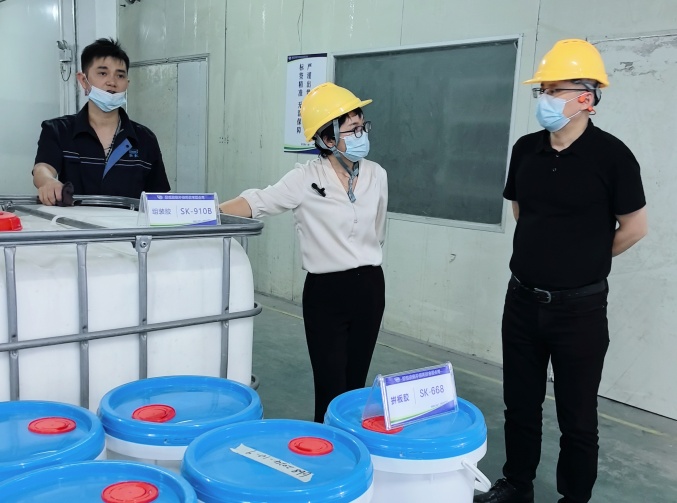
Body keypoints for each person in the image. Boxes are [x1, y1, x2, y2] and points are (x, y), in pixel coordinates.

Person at [475, 39, 647, 503]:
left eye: (555, 90)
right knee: (520, 405)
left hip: (579, 311)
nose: (546, 100)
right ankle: (518, 484)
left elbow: (635, 227)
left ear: (586, 97)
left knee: (578, 415)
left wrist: (585, 258)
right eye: (543, 91)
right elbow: (522, 211)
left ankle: (575, 497)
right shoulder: (525, 149)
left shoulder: (612, 156)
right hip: (522, 301)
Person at [219, 82, 388, 422]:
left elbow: (378, 230)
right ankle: (328, 447)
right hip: (326, 292)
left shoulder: (377, 174)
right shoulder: (305, 178)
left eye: (363, 126)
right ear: (328, 139)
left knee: (355, 386)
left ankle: (352, 448)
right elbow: (257, 202)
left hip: (370, 287)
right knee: (330, 387)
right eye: (352, 129)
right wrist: (203, 212)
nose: (361, 135)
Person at [32, 38, 170, 205]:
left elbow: (159, 198)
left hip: (128, 222)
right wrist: (48, 182)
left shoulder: (145, 139)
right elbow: (43, 168)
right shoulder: (58, 130)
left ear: (127, 83)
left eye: (120, 75)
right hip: (73, 222)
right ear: (83, 80)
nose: (112, 82)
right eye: (103, 73)